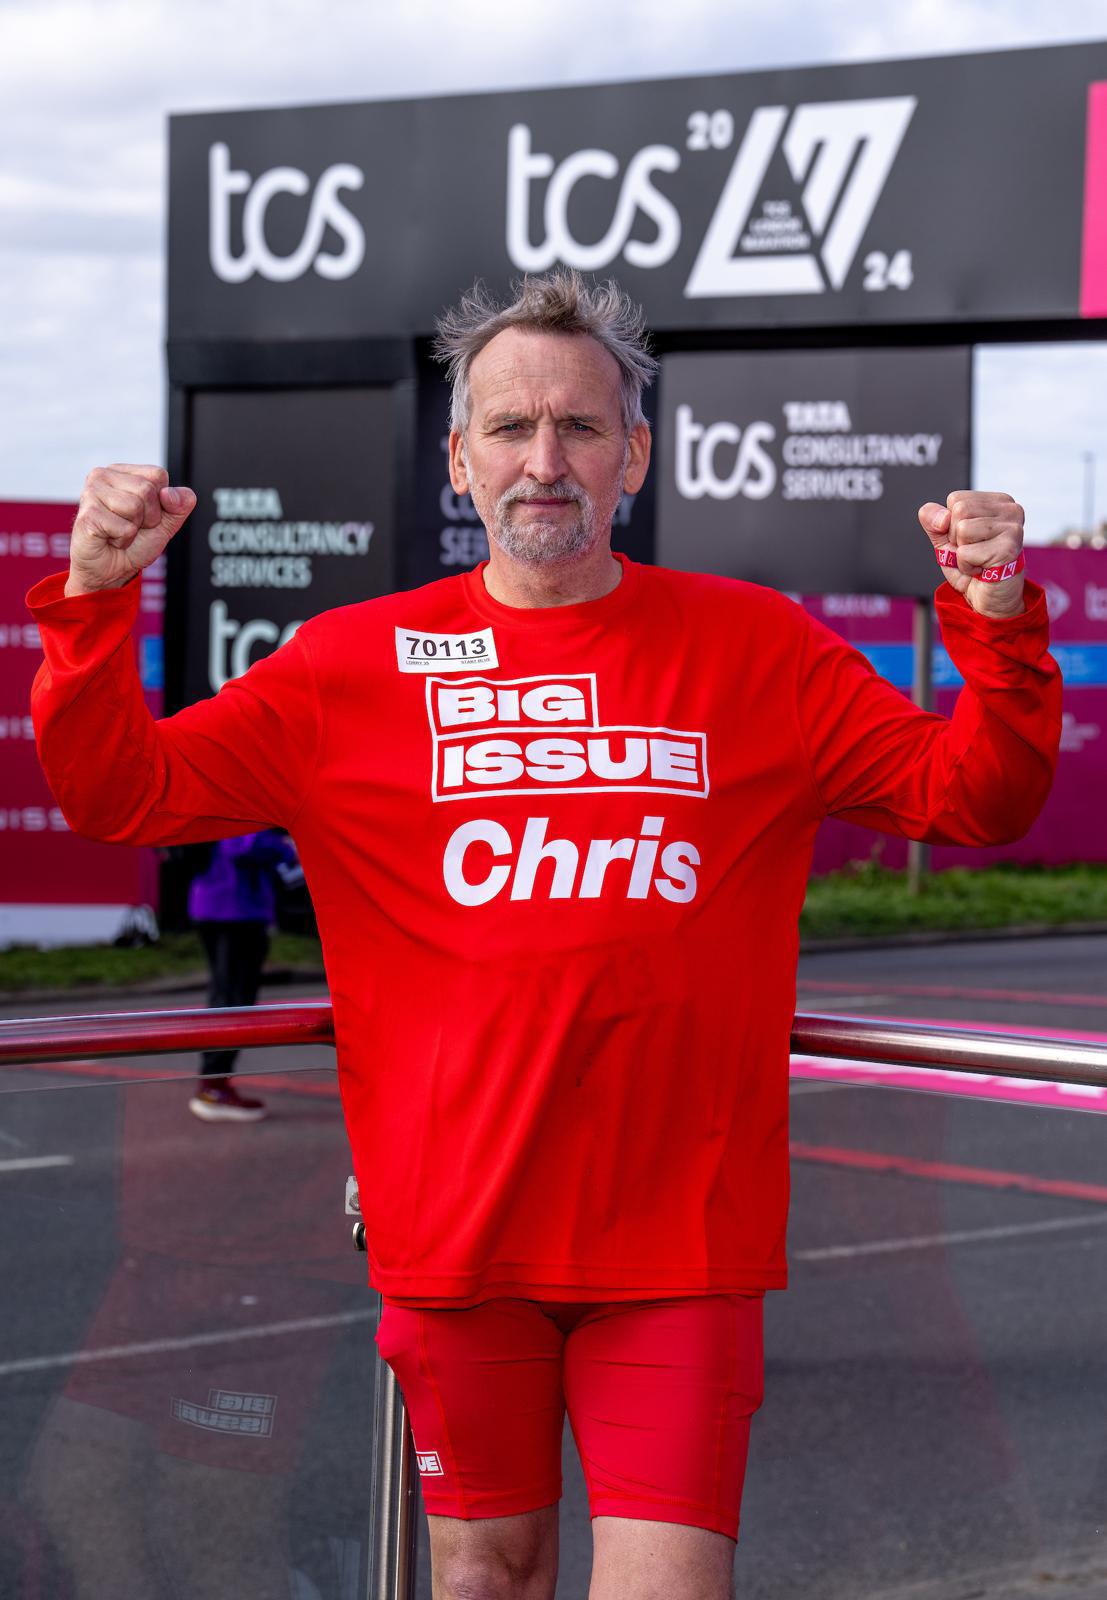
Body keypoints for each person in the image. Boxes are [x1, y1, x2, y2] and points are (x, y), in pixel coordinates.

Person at [28, 271, 1061, 1600]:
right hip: (455, 1246)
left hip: (676, 1248)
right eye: (507, 428)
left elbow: (970, 796)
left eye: (577, 427)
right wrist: (95, 606)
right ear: (457, 457)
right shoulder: (350, 663)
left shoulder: (756, 649)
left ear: (633, 451)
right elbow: (124, 793)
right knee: (480, 1578)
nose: (543, 459)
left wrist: (993, 629)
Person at [187, 829, 301, 1122]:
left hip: (215, 902)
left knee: (226, 996)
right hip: (236, 908)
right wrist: (286, 847)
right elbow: (242, 846)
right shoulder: (245, 800)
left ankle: (214, 1085)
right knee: (234, 1002)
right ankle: (213, 1087)